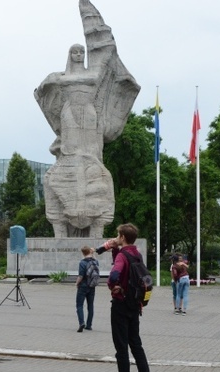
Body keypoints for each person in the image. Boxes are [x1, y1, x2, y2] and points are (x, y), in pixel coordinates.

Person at [34, 0, 139, 238]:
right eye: (75, 52)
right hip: (70, 113)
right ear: (69, 55)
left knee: (93, 154)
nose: (80, 54)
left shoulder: (93, 73)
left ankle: (93, 204)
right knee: (71, 151)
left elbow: (107, 61)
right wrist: (48, 82)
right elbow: (44, 86)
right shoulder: (62, 75)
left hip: (91, 114)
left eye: (82, 51)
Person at [105, 223, 153, 372]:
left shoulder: (122, 256)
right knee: (136, 345)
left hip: (121, 305)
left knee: (121, 348)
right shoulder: (136, 254)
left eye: (118, 235)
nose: (116, 237)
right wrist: (114, 249)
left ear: (123, 237)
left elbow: (115, 275)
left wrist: (113, 287)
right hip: (135, 304)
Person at [75, 245, 98, 332]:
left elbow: (81, 276)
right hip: (92, 286)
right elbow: (95, 261)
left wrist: (77, 283)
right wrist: (93, 253)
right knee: (90, 306)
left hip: (83, 286)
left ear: (83, 253)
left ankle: (81, 323)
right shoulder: (95, 261)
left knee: (79, 305)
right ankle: (89, 325)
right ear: (89, 252)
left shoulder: (82, 262)